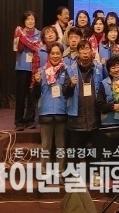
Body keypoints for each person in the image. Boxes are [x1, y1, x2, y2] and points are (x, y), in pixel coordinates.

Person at [63, 40, 105, 163]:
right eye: (82, 49)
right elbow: (65, 92)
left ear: (92, 51)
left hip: (94, 119)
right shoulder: (70, 69)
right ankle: (72, 173)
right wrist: (71, 85)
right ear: (78, 52)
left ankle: (92, 173)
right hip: (76, 120)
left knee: (94, 154)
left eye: (87, 49)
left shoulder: (99, 68)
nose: (85, 52)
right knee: (74, 155)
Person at [34, 42, 67, 176]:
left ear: (62, 54)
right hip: (46, 113)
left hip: (62, 112)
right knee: (45, 147)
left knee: (61, 147)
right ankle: (44, 174)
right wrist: (36, 83)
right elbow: (35, 95)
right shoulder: (41, 72)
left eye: (58, 53)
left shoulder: (66, 70)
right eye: (52, 53)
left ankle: (60, 173)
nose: (55, 56)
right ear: (48, 55)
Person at [14, 11, 42, 130]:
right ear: (24, 21)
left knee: (32, 95)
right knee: (21, 95)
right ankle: (19, 121)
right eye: (28, 19)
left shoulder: (40, 34)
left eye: (32, 19)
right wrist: (21, 39)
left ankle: (30, 120)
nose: (30, 21)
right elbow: (16, 48)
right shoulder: (19, 33)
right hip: (22, 67)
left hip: (35, 68)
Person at [96, 57, 119, 128]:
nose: (116, 70)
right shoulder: (104, 84)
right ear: (108, 70)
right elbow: (99, 105)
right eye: (113, 68)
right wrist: (112, 107)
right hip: (108, 123)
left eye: (118, 67)